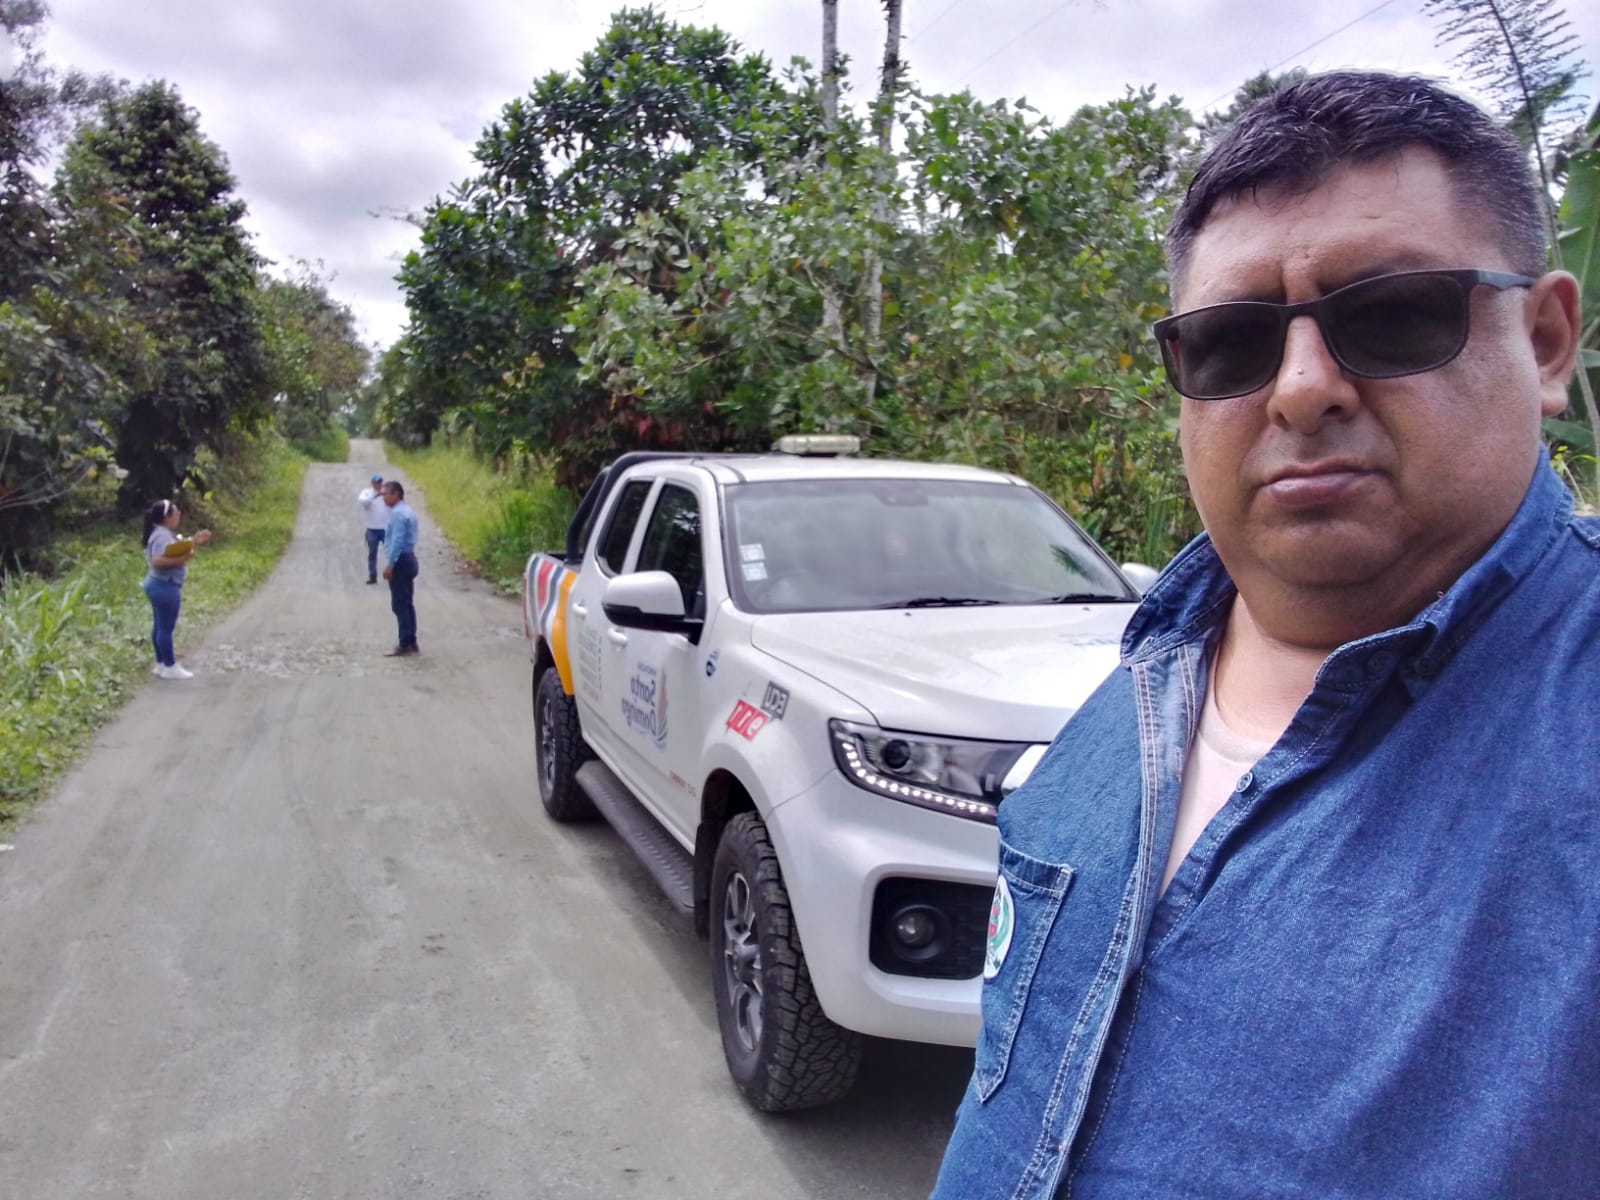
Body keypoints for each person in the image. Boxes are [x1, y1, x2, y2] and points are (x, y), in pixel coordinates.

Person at [932, 71, 1594, 1199]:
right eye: (1231, 343)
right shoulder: (1141, 679)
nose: (1299, 389)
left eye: (1391, 315)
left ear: (1543, 344)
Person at [141, 498, 212, 679]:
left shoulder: (159, 533)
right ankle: (170, 666)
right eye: (176, 512)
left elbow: (175, 548)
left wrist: (194, 541)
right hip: (165, 585)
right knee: (166, 628)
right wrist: (182, 559)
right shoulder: (162, 536)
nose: (179, 515)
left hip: (156, 584)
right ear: (167, 516)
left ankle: (161, 663)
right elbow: (158, 560)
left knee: (159, 625)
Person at [380, 480, 420, 656]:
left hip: (401, 560)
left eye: (386, 494)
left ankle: (405, 642)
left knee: (399, 604)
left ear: (396, 494)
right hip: (409, 557)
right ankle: (412, 640)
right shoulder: (408, 511)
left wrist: (390, 564)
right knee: (407, 602)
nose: (383, 497)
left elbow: (397, 540)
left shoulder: (397, 514)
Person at [357, 473, 388, 583]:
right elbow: (363, 501)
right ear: (372, 483)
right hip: (372, 528)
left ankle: (393, 573)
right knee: (372, 553)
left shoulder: (387, 492)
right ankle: (372, 575)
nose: (378, 484)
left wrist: (383, 494)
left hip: (385, 528)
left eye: (380, 482)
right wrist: (376, 495)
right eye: (376, 482)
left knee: (390, 552)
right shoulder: (367, 492)